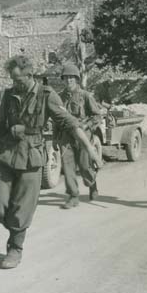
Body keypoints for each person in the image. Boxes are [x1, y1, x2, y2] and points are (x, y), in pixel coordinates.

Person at [0, 55, 101, 269]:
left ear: (30, 75)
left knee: (21, 207)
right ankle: (15, 229)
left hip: (31, 157)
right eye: (12, 80)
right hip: (5, 156)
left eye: (19, 80)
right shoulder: (8, 95)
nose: (15, 84)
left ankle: (15, 248)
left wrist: (91, 151)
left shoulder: (47, 95)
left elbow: (71, 124)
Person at [54, 62, 103, 209]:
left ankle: (92, 183)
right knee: (67, 166)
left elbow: (97, 117)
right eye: (66, 78)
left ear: (76, 79)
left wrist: (86, 125)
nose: (68, 81)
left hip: (83, 135)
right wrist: (55, 138)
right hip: (66, 136)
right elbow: (56, 118)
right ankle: (73, 195)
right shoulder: (59, 97)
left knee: (84, 166)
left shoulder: (85, 96)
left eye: (71, 78)